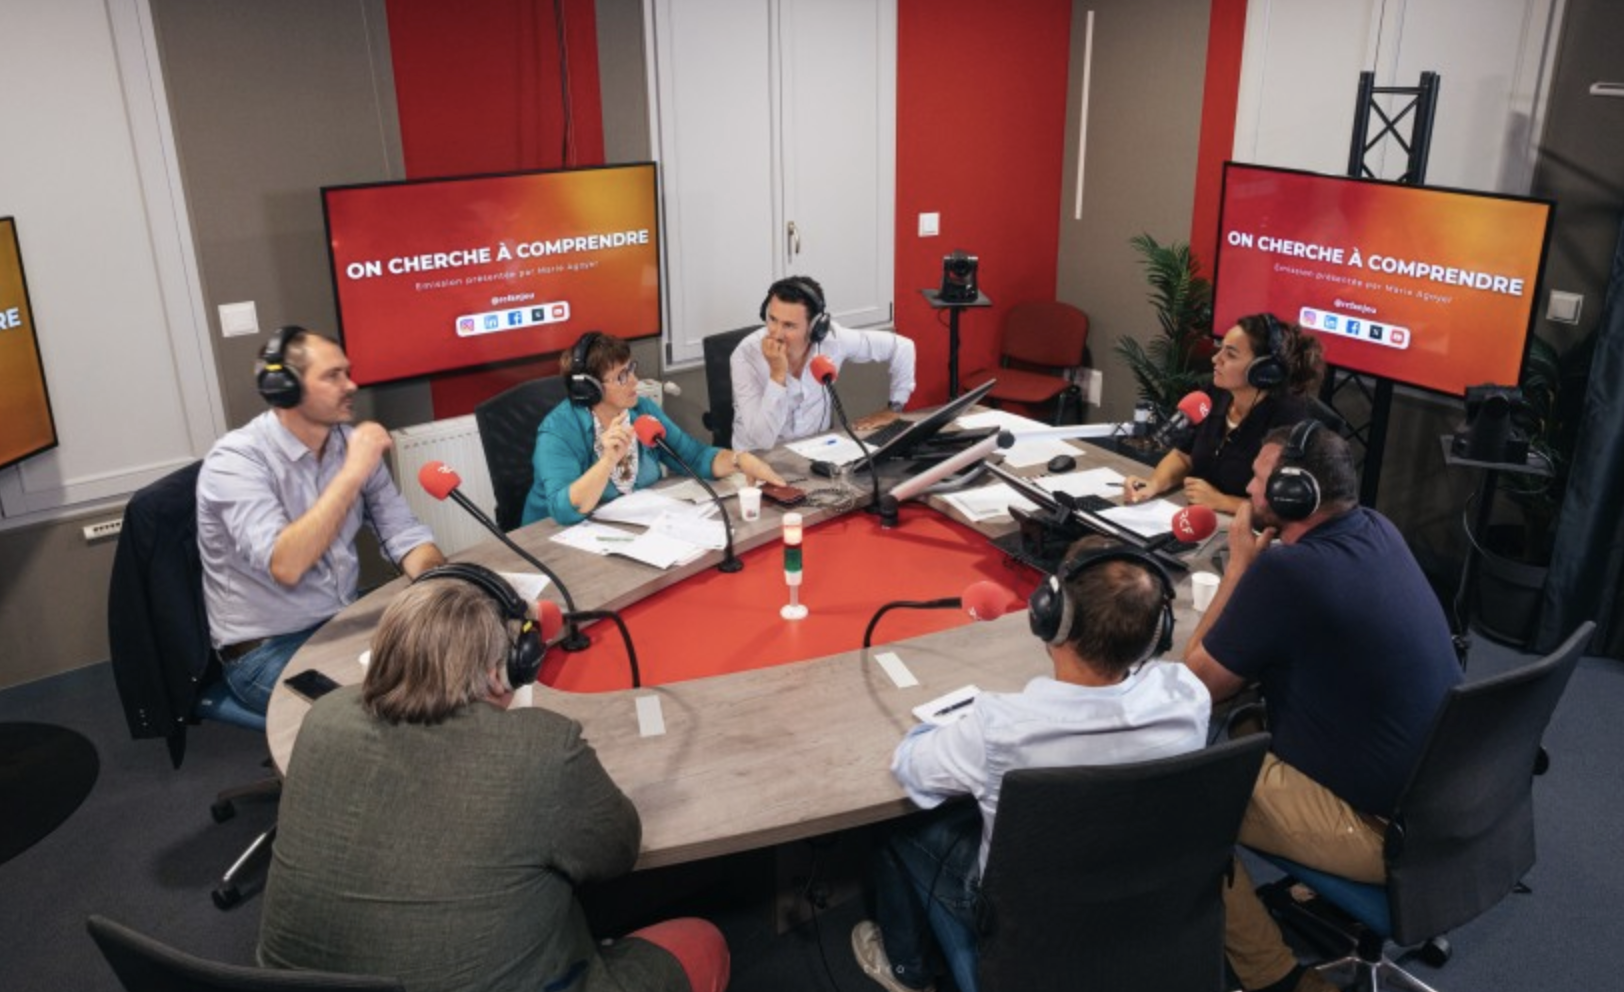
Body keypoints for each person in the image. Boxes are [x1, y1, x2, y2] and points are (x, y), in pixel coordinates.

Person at [257, 567, 730, 992]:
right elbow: (617, 852)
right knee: (701, 943)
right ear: (504, 671)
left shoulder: (324, 716)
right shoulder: (543, 750)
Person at [852, 537, 1210, 992]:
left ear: (1050, 617)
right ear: (1158, 632)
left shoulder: (1000, 728)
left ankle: (906, 969)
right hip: (1145, 892)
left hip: (1027, 918)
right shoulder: (1187, 695)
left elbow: (911, 769)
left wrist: (951, 730)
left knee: (897, 828)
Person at [1182, 421, 1462, 992]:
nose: (1251, 494)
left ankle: (1277, 977)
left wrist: (1239, 568)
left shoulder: (1289, 570)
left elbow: (1195, 684)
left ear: (1293, 496)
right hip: (1452, 801)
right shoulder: (1379, 529)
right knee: (1251, 718)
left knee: (1182, 800)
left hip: (1387, 831)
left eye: (1260, 482)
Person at [196, 326, 443, 714]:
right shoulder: (235, 461)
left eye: (348, 372)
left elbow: (404, 534)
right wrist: (353, 472)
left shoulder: (346, 444)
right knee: (383, 713)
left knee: (448, 668)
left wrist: (441, 591)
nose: (351, 385)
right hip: (266, 650)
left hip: (340, 621)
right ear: (284, 389)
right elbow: (287, 564)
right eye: (333, 376)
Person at [522, 331, 785, 526]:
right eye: (622, 376)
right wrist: (608, 460)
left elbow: (693, 456)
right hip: (553, 542)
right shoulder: (558, 431)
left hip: (624, 529)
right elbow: (565, 510)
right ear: (589, 388)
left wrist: (740, 460)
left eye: (631, 369)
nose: (635, 381)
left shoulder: (641, 410)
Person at [1124, 313, 1324, 514]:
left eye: (1230, 354)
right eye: (1220, 349)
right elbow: (1184, 456)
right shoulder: (1215, 393)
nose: (1215, 359)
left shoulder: (1289, 420)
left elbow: (1286, 505)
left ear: (1264, 370)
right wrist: (1154, 484)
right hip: (1196, 516)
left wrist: (1223, 501)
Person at [730, 276, 917, 451]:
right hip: (757, 463)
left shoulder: (833, 340)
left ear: (814, 327)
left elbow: (902, 347)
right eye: (772, 319)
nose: (776, 333)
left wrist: (895, 408)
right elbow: (762, 441)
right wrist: (777, 375)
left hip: (817, 453)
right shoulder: (745, 355)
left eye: (789, 325)